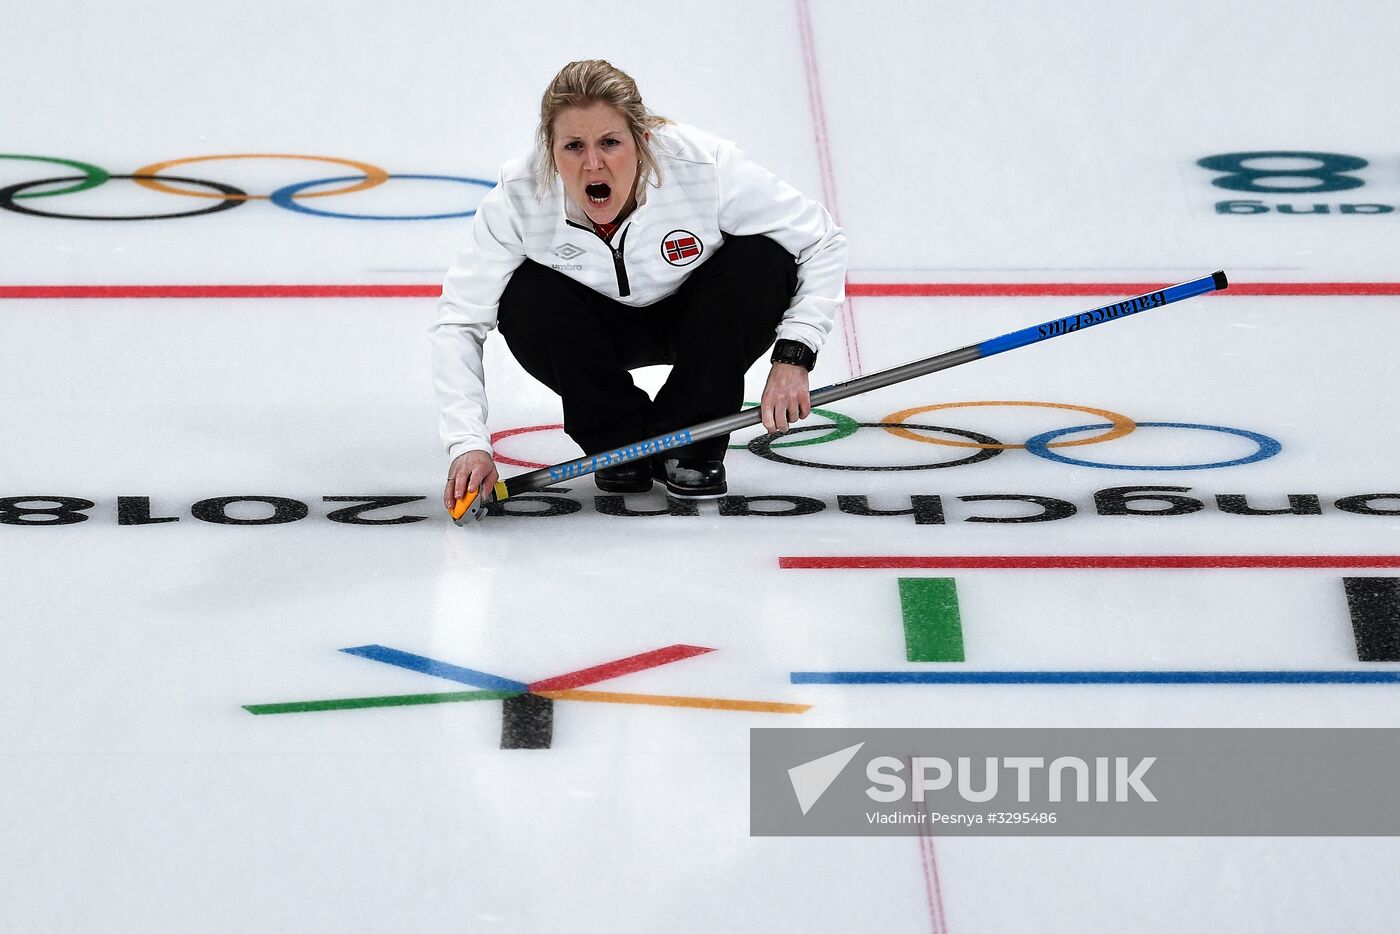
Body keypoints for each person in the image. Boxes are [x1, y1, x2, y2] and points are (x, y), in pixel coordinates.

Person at [432, 59, 846, 510]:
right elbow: (459, 321)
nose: (593, 163)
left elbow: (821, 240)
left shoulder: (704, 166)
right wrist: (467, 443)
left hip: (702, 319)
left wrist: (794, 356)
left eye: (610, 142)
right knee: (524, 293)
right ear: (550, 151)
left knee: (763, 259)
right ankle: (617, 440)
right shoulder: (519, 196)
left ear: (642, 140)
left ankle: (689, 441)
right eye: (573, 146)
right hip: (595, 329)